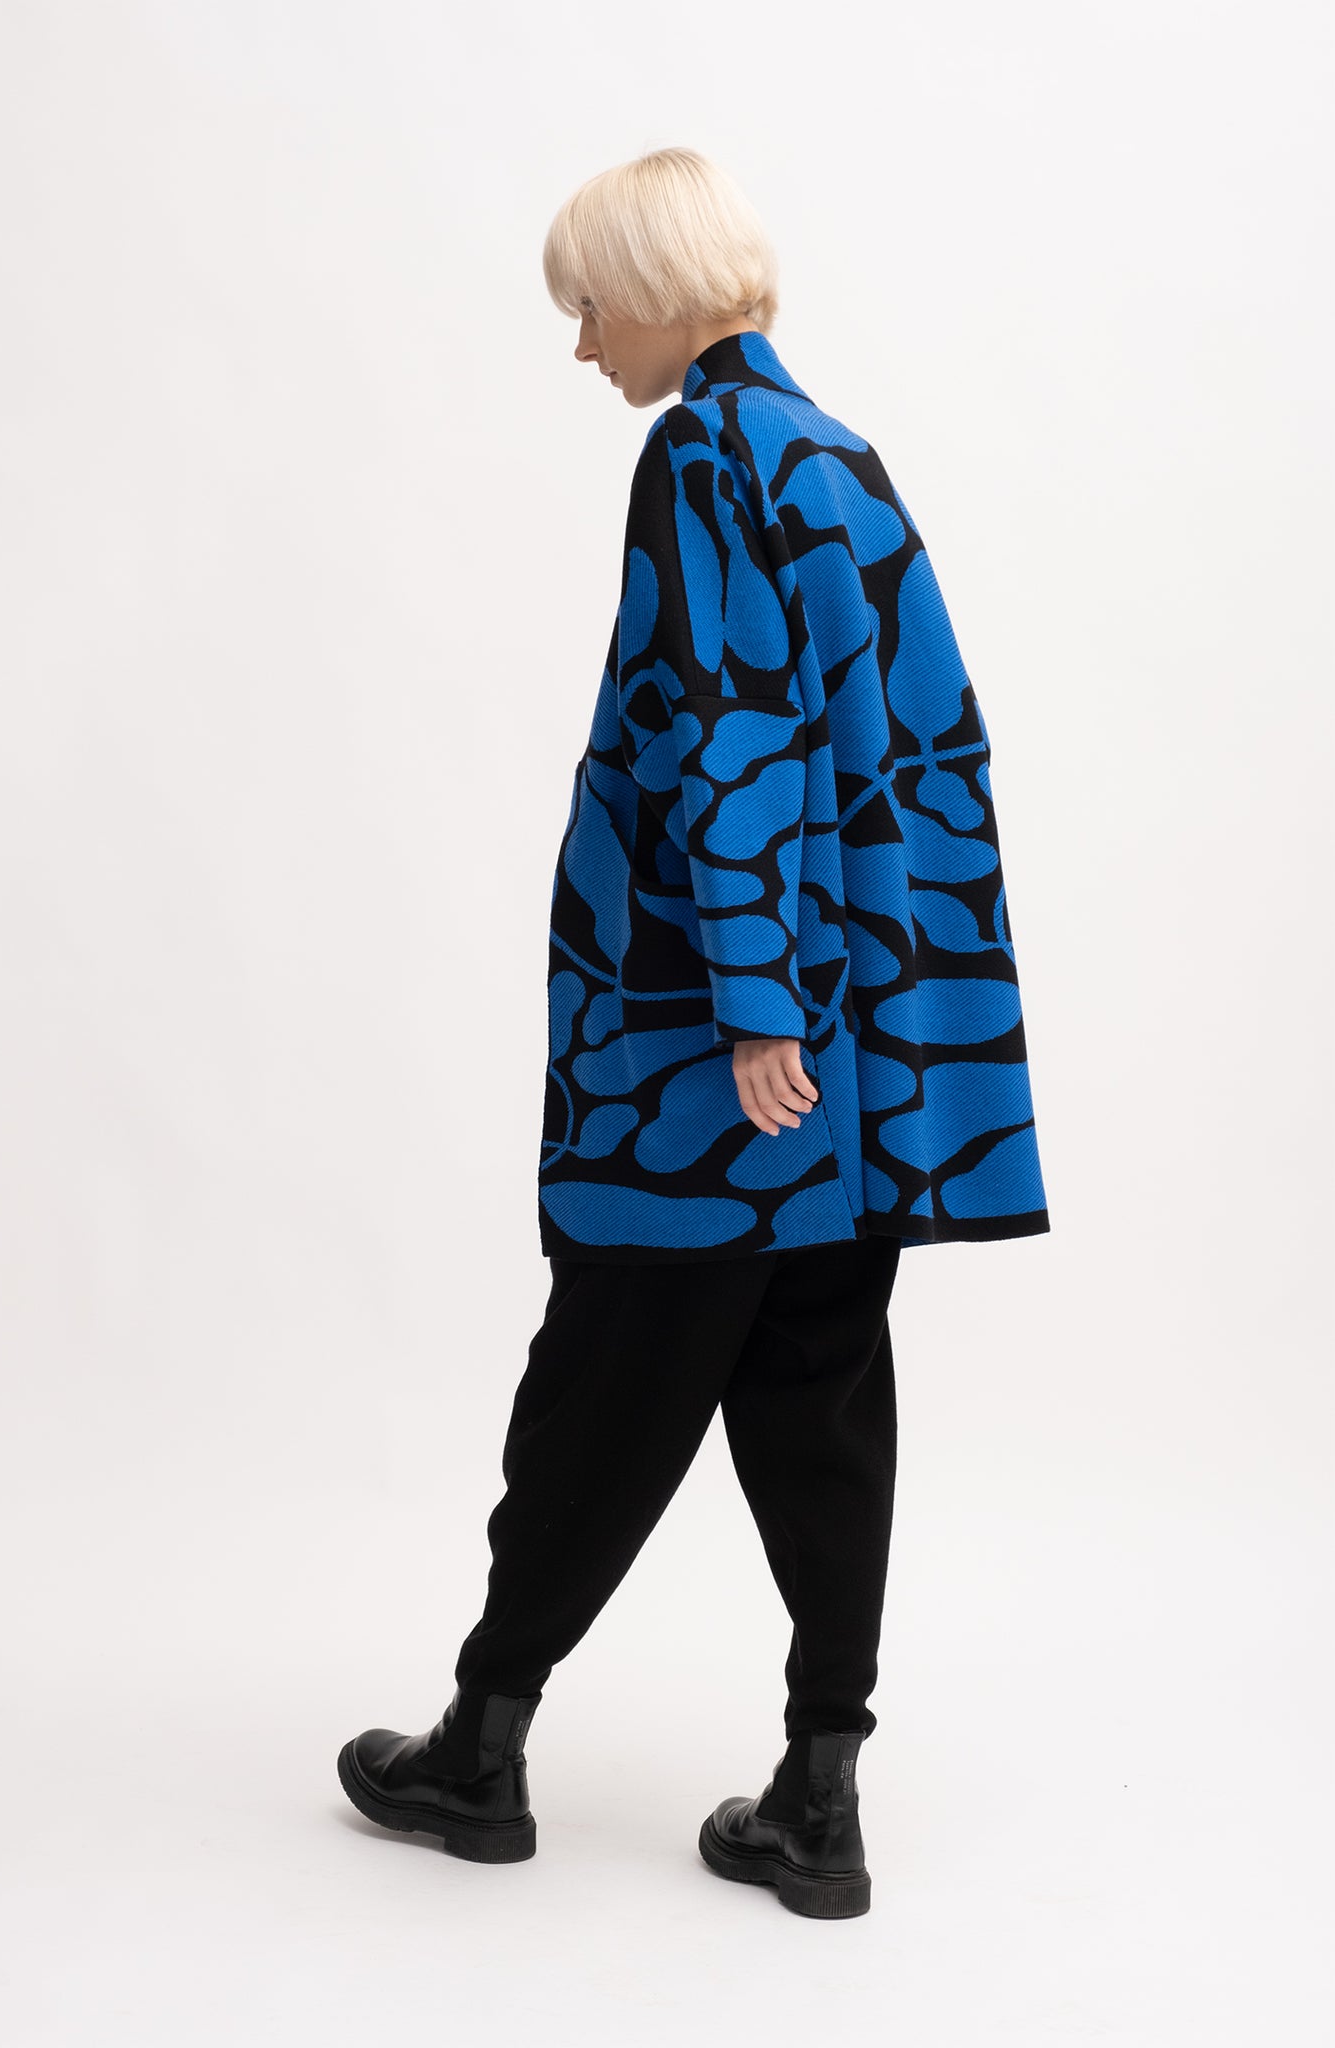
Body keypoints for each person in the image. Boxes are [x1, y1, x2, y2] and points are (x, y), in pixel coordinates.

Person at [337, 146, 1050, 1920]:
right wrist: (842, 1020)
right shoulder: (836, 458)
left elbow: (734, 735)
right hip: (855, 1060)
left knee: (603, 1385)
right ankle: (820, 1794)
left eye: (590, 307)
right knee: (819, 1403)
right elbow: (917, 753)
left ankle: (479, 1751)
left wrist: (749, 1007)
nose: (582, 346)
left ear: (660, 290)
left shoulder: (707, 454)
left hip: (719, 1056)